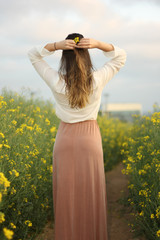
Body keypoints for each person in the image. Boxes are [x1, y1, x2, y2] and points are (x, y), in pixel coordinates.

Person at [27, 32, 127, 240]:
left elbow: (33, 54)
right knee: (91, 193)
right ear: (87, 55)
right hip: (90, 139)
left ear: (65, 56)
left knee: (67, 196)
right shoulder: (97, 80)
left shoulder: (57, 82)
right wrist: (99, 44)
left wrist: (55, 45)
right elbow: (121, 56)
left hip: (65, 139)